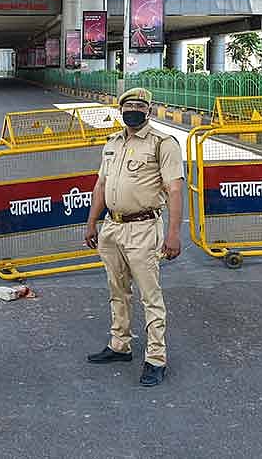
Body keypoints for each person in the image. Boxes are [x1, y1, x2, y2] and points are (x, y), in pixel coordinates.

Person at [83, 87, 184, 387]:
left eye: (140, 106)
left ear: (149, 111)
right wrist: (91, 222)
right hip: (112, 228)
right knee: (117, 290)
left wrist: (174, 234)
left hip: (143, 228)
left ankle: (156, 358)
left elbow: (175, 190)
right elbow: (101, 185)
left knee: (150, 297)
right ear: (121, 110)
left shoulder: (163, 144)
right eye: (129, 106)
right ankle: (120, 344)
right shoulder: (112, 142)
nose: (134, 111)